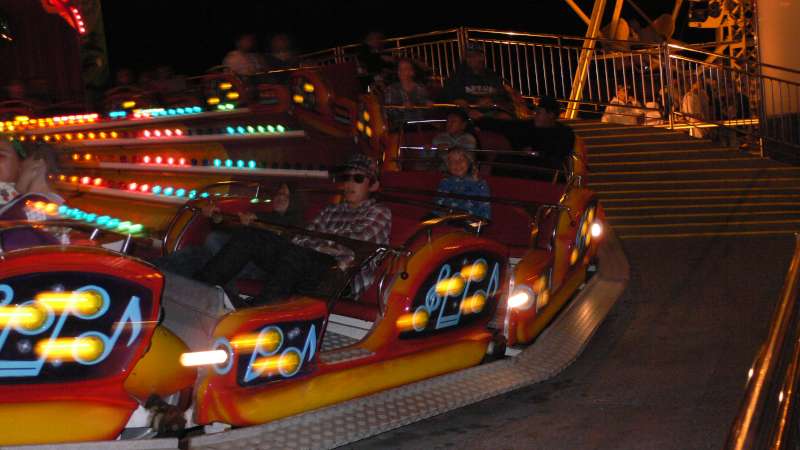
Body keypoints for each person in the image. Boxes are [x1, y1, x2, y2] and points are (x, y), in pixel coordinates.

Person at [195, 153, 391, 307]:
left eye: (358, 178)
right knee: (252, 236)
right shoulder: (331, 210)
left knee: (298, 254)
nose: (349, 183)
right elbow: (301, 239)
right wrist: (322, 246)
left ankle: (258, 311)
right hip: (308, 265)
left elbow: (351, 250)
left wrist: (317, 246)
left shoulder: (379, 212)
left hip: (340, 278)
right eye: (346, 177)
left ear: (373, 185)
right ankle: (200, 288)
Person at [155, 182, 305, 278]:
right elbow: (235, 231)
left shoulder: (296, 222)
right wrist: (216, 218)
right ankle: (154, 269)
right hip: (235, 256)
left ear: (295, 201)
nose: (281, 197)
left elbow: (281, 229)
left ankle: (161, 272)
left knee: (207, 250)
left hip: (258, 266)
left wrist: (257, 220)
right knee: (200, 249)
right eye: (280, 193)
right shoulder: (264, 215)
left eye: (287, 196)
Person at [441, 42, 512, 118]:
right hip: (464, 114)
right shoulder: (457, 76)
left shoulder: (492, 76)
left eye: (474, 56)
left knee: (505, 117)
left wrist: (492, 100)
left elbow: (503, 96)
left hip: (490, 112)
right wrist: (469, 109)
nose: (470, 59)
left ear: (482, 57)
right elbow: (451, 97)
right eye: (468, 56)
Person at [435, 147, 491, 220]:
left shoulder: (480, 184)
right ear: (448, 166)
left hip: (470, 221)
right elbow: (437, 206)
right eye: (452, 161)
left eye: (461, 159)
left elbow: (485, 212)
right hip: (447, 220)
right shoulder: (445, 182)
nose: (457, 163)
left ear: (469, 162)